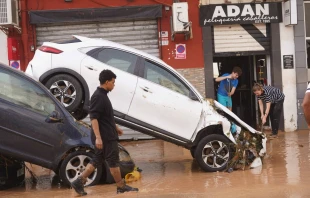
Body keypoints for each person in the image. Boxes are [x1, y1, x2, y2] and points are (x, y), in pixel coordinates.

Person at [71, 70, 138, 195]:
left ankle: (79, 181)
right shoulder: (98, 96)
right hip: (105, 137)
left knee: (97, 159)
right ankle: (121, 186)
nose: (114, 85)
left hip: (105, 134)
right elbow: (94, 118)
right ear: (107, 82)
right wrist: (98, 138)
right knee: (113, 161)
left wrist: (115, 127)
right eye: (113, 82)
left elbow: (105, 117)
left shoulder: (102, 95)